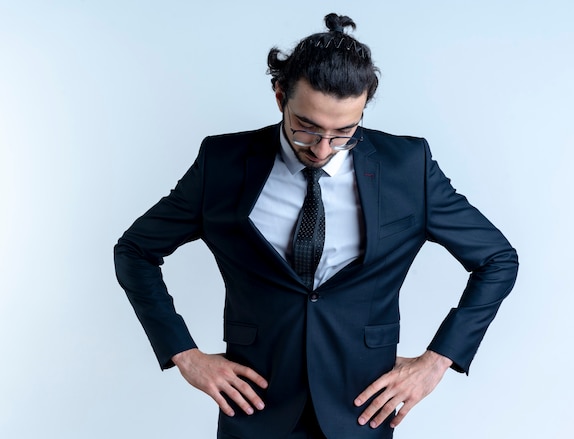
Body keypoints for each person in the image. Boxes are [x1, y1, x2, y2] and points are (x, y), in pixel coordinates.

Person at [114, 13, 518, 439]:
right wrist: (183, 352)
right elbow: (135, 251)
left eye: (344, 132)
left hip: (362, 408)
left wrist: (438, 360)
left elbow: (497, 258)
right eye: (306, 129)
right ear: (279, 95)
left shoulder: (408, 167)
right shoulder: (223, 163)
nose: (323, 149)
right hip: (255, 407)